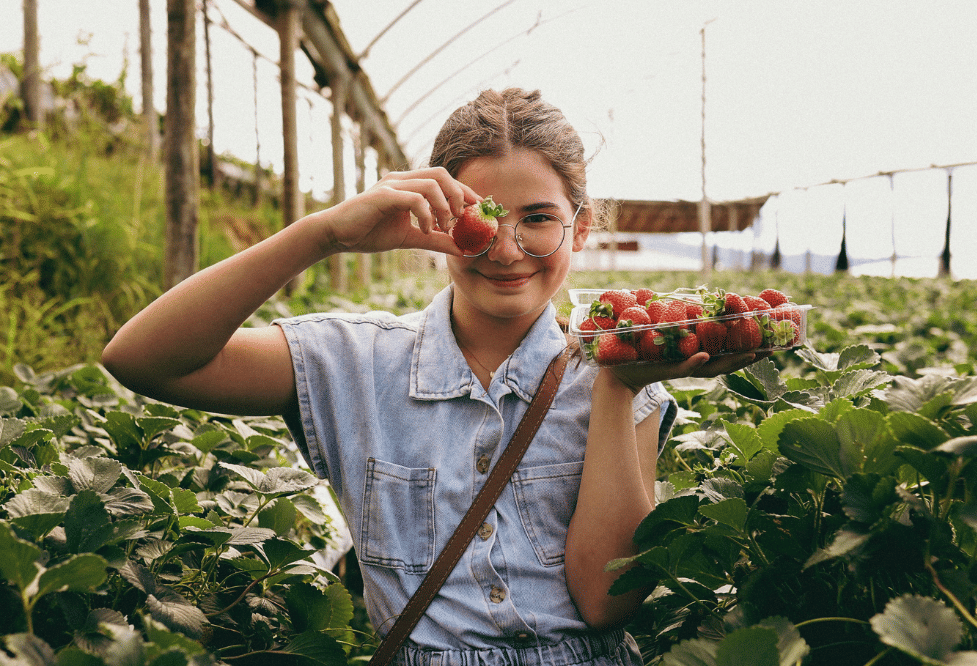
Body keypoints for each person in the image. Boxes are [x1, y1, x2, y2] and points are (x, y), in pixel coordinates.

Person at [102, 88, 762, 666]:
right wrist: (324, 233)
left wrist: (619, 387)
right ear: (436, 217)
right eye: (482, 218)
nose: (507, 249)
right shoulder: (352, 363)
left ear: (581, 228)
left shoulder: (622, 372)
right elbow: (144, 359)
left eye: (537, 218)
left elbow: (604, 602)